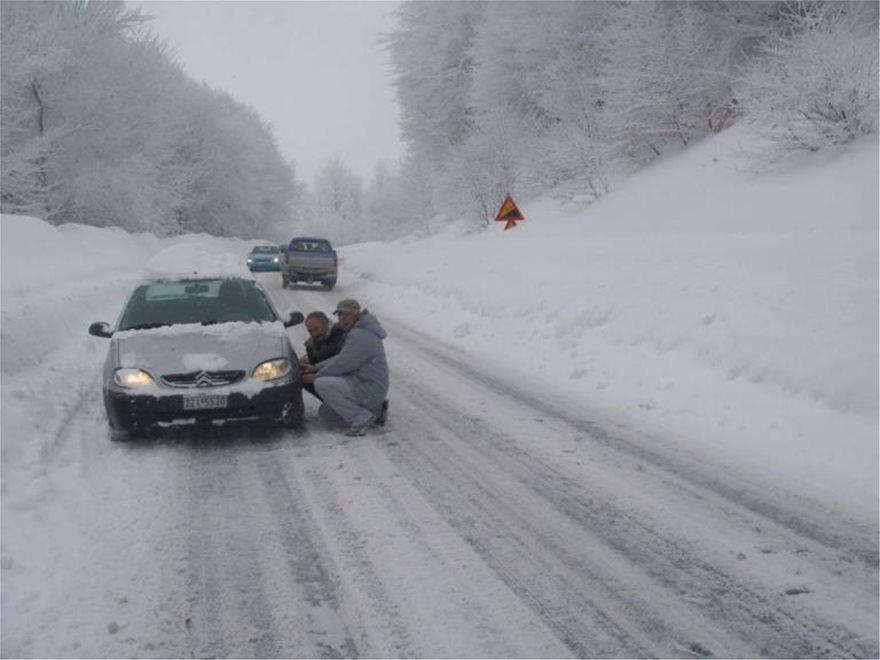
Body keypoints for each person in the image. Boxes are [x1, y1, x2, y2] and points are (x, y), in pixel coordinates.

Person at [302, 298, 389, 436]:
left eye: (346, 315)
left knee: (322, 384)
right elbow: (342, 357)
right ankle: (374, 411)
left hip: (368, 387)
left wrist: (316, 376)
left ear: (356, 314)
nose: (342, 319)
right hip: (363, 383)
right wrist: (315, 367)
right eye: (340, 315)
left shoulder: (360, 335)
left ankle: (360, 417)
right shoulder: (357, 331)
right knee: (326, 415)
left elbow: (343, 363)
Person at [298, 311, 346, 400]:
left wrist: (316, 377)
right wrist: (306, 364)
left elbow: (343, 363)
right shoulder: (312, 345)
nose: (314, 334)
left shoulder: (342, 336)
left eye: (316, 329)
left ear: (326, 324)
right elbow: (318, 362)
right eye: (310, 331)